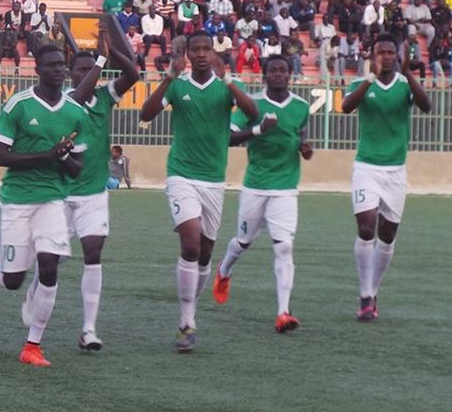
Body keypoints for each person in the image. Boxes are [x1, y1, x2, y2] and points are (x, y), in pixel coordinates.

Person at [139, 31, 258, 352]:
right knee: (190, 246)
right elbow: (145, 114)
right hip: (181, 175)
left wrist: (230, 80)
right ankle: (186, 321)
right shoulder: (178, 85)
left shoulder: (226, 86)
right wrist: (167, 78)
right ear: (188, 53)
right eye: (197, 49)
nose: (202, 54)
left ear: (214, 52)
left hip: (213, 181)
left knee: (205, 254)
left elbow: (254, 114)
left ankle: (190, 312)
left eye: (207, 49)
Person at [0, 45, 88, 367]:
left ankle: (33, 345)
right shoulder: (19, 106)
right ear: (37, 69)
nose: (57, 70)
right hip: (16, 202)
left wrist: (63, 156)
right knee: (13, 281)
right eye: (50, 65)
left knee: (50, 267)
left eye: (60, 65)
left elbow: (76, 168)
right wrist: (47, 155)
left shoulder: (74, 112)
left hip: (52, 199)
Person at [213, 55, 313, 333]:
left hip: (286, 187)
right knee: (243, 242)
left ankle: (283, 312)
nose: (279, 75)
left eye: (283, 70)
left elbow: (301, 137)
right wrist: (257, 130)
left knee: (284, 246)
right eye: (273, 70)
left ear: (290, 75)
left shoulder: (301, 106)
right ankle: (224, 270)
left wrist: (306, 148)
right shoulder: (251, 105)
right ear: (265, 75)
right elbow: (228, 137)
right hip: (256, 184)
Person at [341, 34, 432, 322]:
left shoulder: (405, 86)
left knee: (388, 235)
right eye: (381, 53)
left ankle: (373, 290)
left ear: (398, 56)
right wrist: (370, 77)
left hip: (396, 170)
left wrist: (408, 74)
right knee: (367, 229)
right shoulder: (361, 84)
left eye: (391, 52)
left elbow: (427, 106)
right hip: (367, 167)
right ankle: (365, 295)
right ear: (373, 55)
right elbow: (345, 107)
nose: (387, 57)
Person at [61, 34, 139, 350]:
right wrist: (101, 61)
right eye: (80, 69)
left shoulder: (106, 96)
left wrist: (113, 51)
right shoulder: (66, 100)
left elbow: (133, 75)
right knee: (50, 260)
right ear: (70, 73)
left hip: (94, 193)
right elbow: (79, 97)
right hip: (61, 194)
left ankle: (88, 329)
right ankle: (35, 290)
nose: (86, 73)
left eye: (90, 68)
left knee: (93, 253)